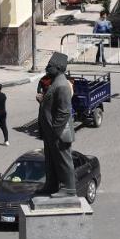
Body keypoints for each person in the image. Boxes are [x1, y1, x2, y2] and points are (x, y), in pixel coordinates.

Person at [37, 52, 76, 197]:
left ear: (59, 68)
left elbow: (64, 112)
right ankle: (51, 184)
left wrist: (55, 131)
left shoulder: (62, 85)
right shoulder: (55, 82)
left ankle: (68, 188)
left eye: (50, 65)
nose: (47, 67)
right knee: (51, 160)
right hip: (51, 133)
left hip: (59, 134)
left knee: (63, 160)